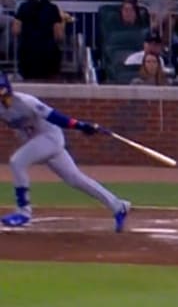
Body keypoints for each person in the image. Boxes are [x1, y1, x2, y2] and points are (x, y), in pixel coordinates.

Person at [0, 74, 131, 231]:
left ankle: (24, 212)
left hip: (50, 138)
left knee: (17, 161)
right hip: (35, 142)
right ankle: (118, 206)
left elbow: (56, 117)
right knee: (75, 179)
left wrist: (82, 126)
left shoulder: (26, 101)